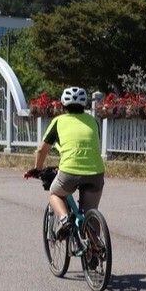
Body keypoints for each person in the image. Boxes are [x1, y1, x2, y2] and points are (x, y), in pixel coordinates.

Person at [27, 87, 106, 246]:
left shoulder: (59, 121)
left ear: (63, 104)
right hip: (96, 172)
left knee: (55, 194)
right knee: (91, 212)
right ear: (84, 104)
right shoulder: (93, 121)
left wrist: (37, 169)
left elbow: (42, 149)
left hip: (69, 171)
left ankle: (65, 220)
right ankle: (96, 247)